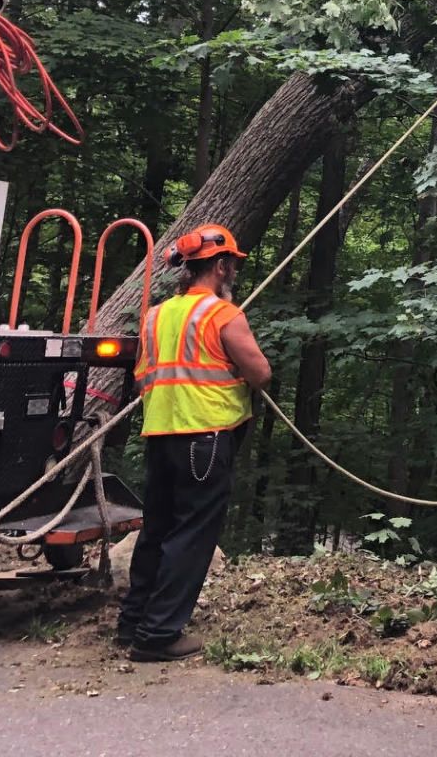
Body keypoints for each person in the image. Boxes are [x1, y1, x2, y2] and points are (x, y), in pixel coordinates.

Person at [117, 223, 272, 661]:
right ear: (221, 266)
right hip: (204, 437)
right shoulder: (223, 315)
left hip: (161, 435)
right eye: (233, 264)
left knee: (158, 529)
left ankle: (132, 624)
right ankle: (159, 635)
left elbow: (147, 374)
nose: (234, 270)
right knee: (190, 535)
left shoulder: (155, 315)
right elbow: (259, 373)